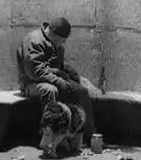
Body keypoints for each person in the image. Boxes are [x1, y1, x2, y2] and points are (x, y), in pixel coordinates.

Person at [16, 16, 96, 144]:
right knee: (50, 90)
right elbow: (35, 71)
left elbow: (59, 65)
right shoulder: (34, 41)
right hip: (32, 83)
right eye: (62, 40)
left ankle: (89, 136)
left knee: (81, 91)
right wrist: (58, 81)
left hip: (53, 78)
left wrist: (75, 76)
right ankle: (49, 137)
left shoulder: (56, 43)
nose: (62, 44)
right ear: (53, 34)